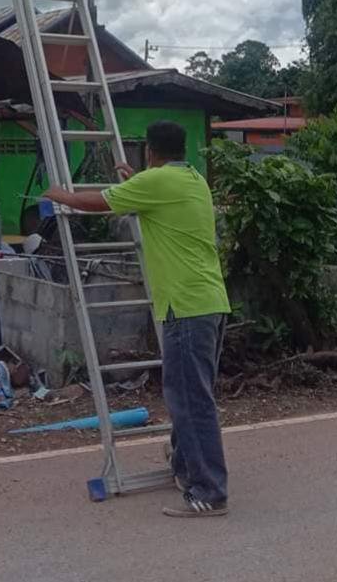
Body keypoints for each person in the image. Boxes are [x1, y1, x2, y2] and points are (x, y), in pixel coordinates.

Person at [44, 119, 231, 519]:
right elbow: (150, 190)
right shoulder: (193, 179)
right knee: (191, 396)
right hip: (209, 303)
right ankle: (187, 469)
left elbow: (96, 202)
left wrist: (60, 194)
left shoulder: (157, 185)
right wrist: (136, 181)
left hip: (186, 308)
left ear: (150, 151)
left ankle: (209, 492)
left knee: (191, 403)